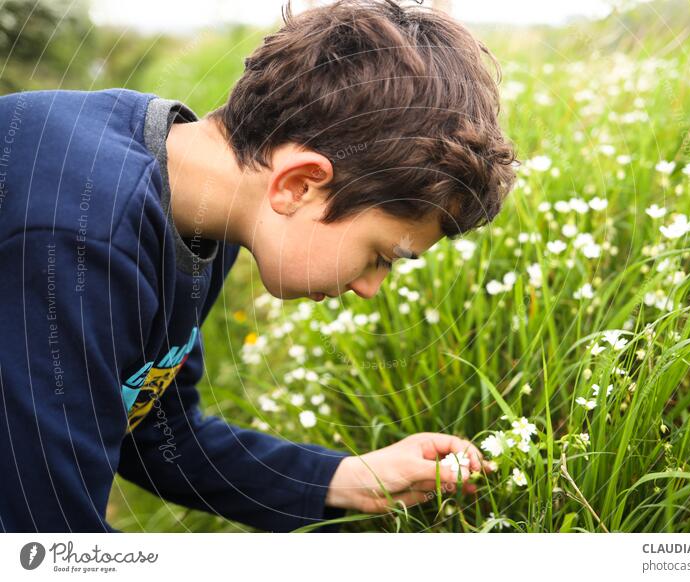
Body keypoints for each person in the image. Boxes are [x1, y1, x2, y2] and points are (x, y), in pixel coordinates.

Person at [0, 0, 516, 532]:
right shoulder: (78, 233)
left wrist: (345, 477)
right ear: (299, 184)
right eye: (380, 256)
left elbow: (157, 430)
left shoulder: (202, 210)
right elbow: (45, 538)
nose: (369, 287)